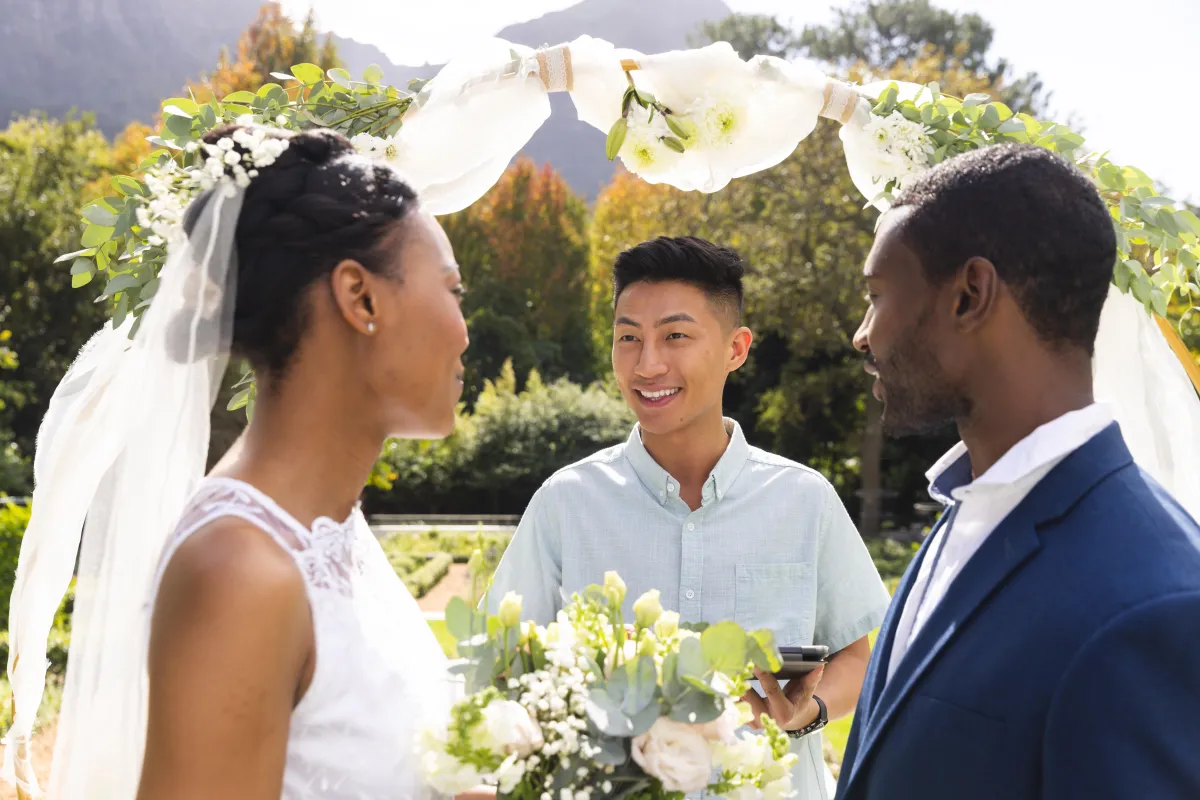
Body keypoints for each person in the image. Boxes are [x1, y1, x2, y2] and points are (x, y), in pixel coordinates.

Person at [3, 125, 488, 799]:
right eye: (453, 288)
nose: (465, 330)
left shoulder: (334, 539)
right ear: (361, 297)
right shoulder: (238, 571)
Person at [838, 144, 1200, 799]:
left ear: (969, 295)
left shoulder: (1155, 605)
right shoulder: (969, 507)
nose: (863, 334)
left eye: (877, 296)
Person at [488, 236, 890, 800]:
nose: (648, 364)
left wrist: (810, 711)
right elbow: (504, 669)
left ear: (736, 348)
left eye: (675, 336)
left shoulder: (805, 500)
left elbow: (856, 656)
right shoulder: (566, 502)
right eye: (629, 338)